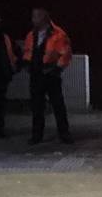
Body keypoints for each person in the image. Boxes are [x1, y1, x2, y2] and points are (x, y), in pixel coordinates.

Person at [21, 7, 73, 145]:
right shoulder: (31, 35)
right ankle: (36, 136)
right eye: (33, 16)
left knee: (58, 105)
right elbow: (27, 52)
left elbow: (66, 54)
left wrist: (56, 69)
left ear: (44, 17)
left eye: (36, 16)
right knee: (37, 107)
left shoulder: (58, 34)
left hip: (51, 75)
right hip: (36, 74)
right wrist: (27, 65)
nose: (33, 19)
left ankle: (64, 134)